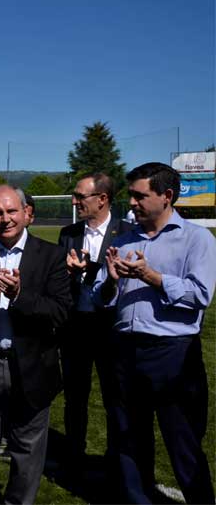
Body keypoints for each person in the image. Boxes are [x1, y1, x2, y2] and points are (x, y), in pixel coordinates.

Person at [93, 162, 216, 504]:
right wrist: (111, 282)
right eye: (131, 195)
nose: (131, 202)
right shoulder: (123, 240)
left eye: (139, 195)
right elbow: (101, 298)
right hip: (124, 351)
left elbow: (200, 295)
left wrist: (152, 277)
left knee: (183, 443)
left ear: (167, 196)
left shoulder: (197, 239)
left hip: (172, 353)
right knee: (128, 438)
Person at [0, 185, 72, 505]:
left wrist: (18, 297)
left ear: (26, 213)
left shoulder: (52, 255)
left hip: (33, 366)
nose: (5, 219)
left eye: (11, 211)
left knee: (28, 450)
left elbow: (60, 312)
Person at [57, 173, 132, 478]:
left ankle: (115, 460)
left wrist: (93, 270)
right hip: (75, 327)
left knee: (115, 396)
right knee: (75, 396)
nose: (74, 201)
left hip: (111, 329)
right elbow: (59, 283)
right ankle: (74, 453)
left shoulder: (127, 232)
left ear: (102, 199)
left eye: (80, 196)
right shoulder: (68, 234)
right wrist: (68, 273)